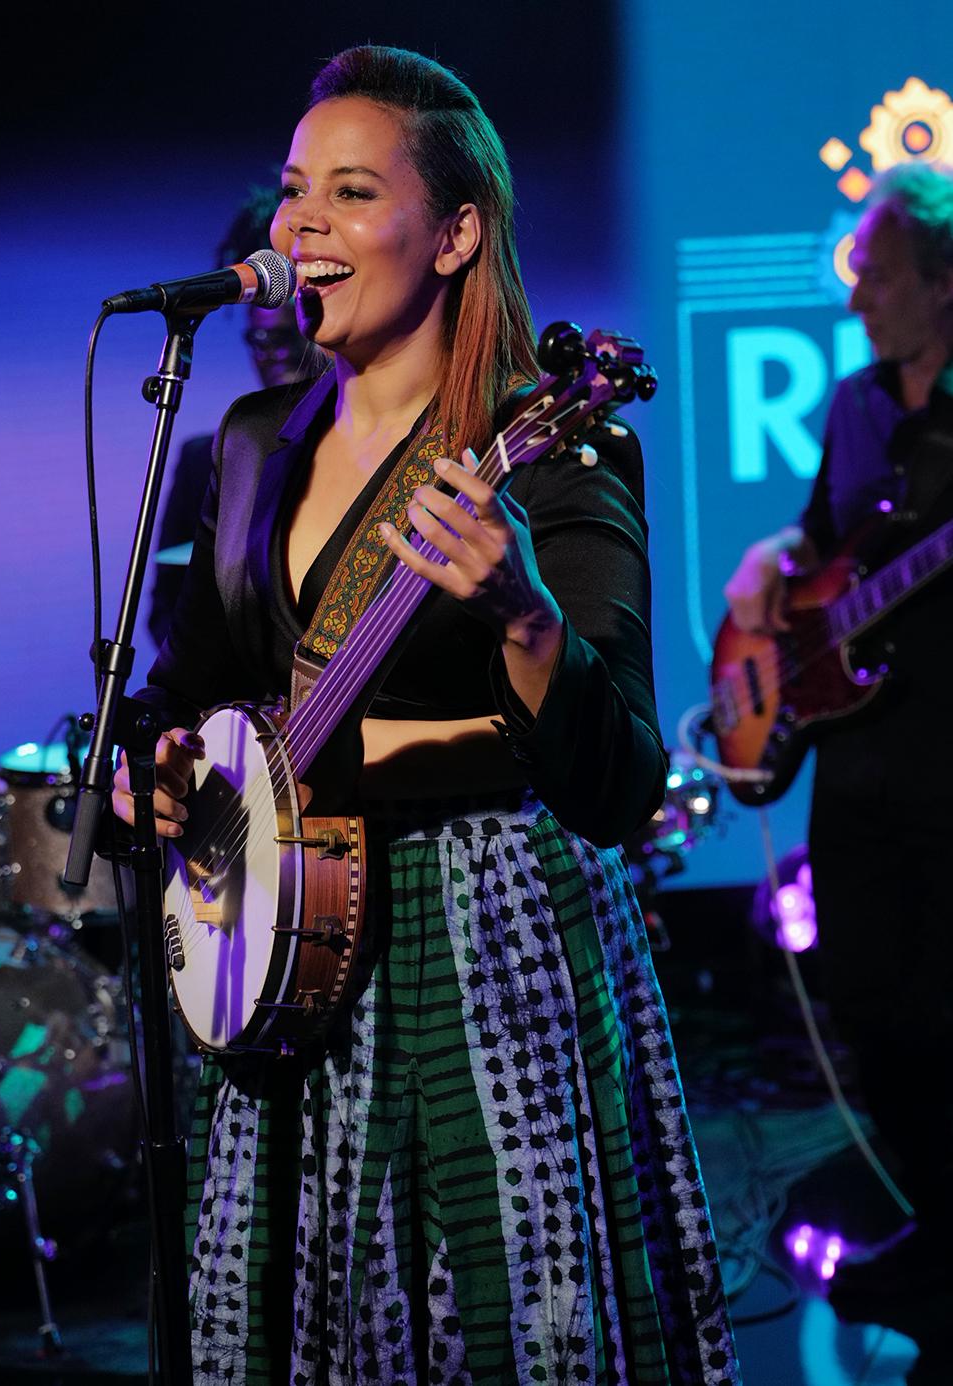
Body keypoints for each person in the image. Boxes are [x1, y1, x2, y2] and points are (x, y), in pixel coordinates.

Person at [114, 45, 739, 1385]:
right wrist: (159, 769)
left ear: (457, 234)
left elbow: (620, 777)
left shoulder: (556, 439)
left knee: (491, 1323)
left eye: (350, 193)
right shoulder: (251, 438)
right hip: (278, 954)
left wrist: (522, 614)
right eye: (295, 195)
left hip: (483, 939)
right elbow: (192, 690)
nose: (302, 230)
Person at [724, 163, 953, 1321]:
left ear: (944, 282)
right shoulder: (859, 404)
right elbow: (821, 545)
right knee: (869, 1002)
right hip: (854, 765)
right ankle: (928, 1227)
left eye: (874, 274)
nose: (855, 299)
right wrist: (767, 560)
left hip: (942, 755)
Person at [147, 190, 324, 647]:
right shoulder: (208, 456)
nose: (273, 356)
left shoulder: (351, 443)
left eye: (286, 337)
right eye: (259, 343)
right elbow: (165, 610)